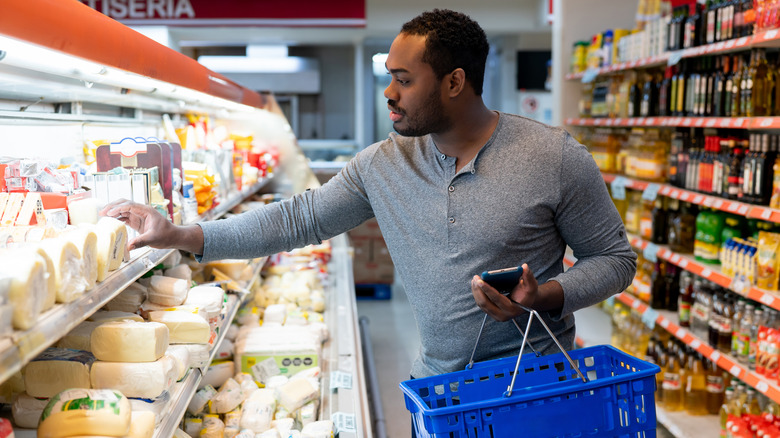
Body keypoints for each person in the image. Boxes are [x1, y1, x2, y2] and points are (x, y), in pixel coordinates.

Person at [103, 9, 635, 382]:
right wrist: (180, 234)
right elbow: (295, 221)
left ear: (454, 82)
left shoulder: (554, 157)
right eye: (389, 77)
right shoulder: (384, 164)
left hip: (536, 381)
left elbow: (614, 259)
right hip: (438, 386)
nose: (389, 92)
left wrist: (545, 295)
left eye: (404, 79)